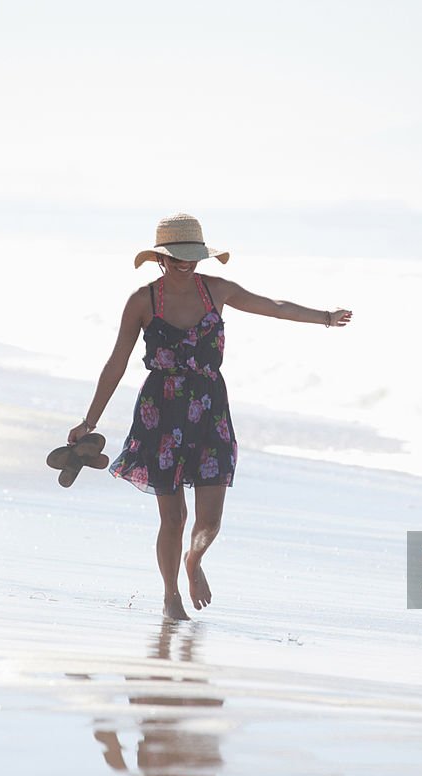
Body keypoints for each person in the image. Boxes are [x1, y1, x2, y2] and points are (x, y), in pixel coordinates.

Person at [68, 213, 352, 620]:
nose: (187, 264)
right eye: (178, 257)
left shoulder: (216, 291)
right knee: (173, 517)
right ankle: (170, 597)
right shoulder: (142, 301)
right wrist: (89, 422)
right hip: (160, 412)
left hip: (209, 411)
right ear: (161, 258)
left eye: (193, 256)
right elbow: (116, 363)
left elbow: (272, 306)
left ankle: (193, 561)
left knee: (210, 521)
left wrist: (323, 317)